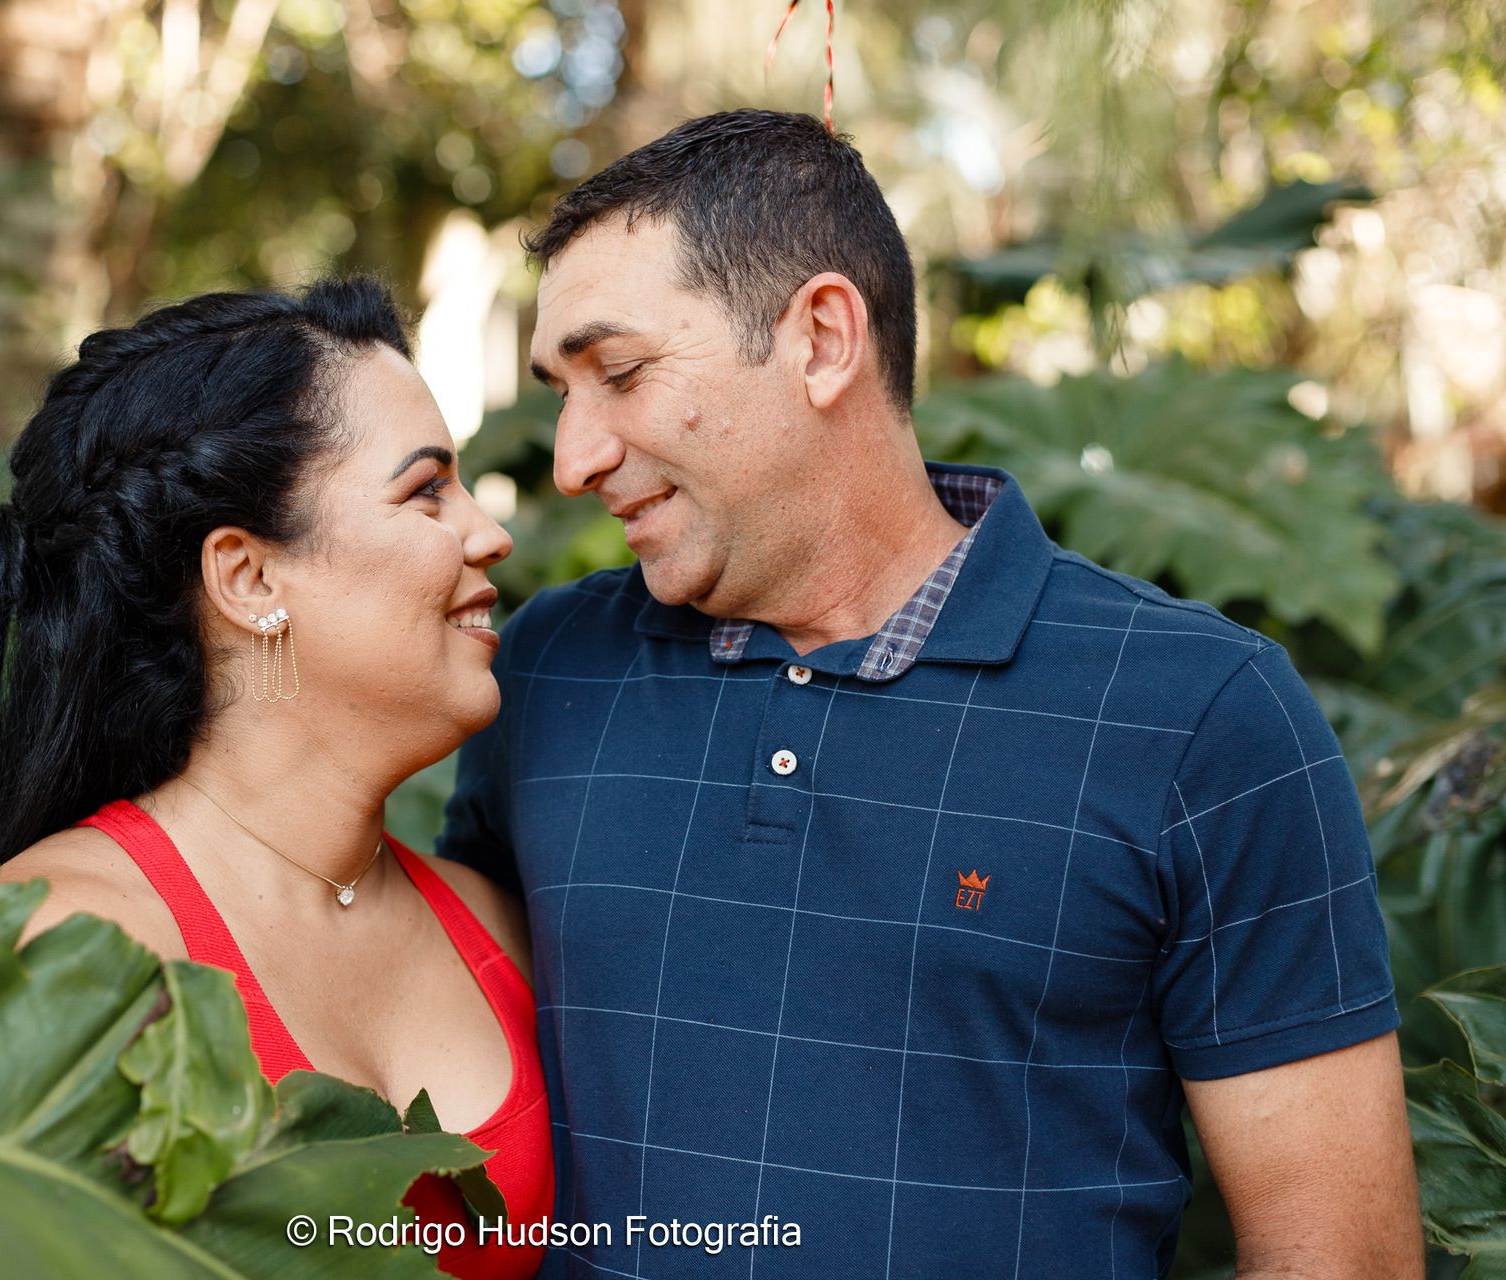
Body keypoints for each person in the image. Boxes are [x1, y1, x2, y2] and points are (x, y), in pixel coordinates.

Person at [438, 111, 1421, 1279]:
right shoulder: (546, 668)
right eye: (561, 389)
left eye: (622, 372)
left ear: (821, 338)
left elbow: (1340, 1255)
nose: (572, 456)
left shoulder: (1203, 714)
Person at [0, 279, 550, 1280]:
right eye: (427, 488)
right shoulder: (65, 944)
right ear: (249, 578)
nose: (488, 532)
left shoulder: (501, 922)